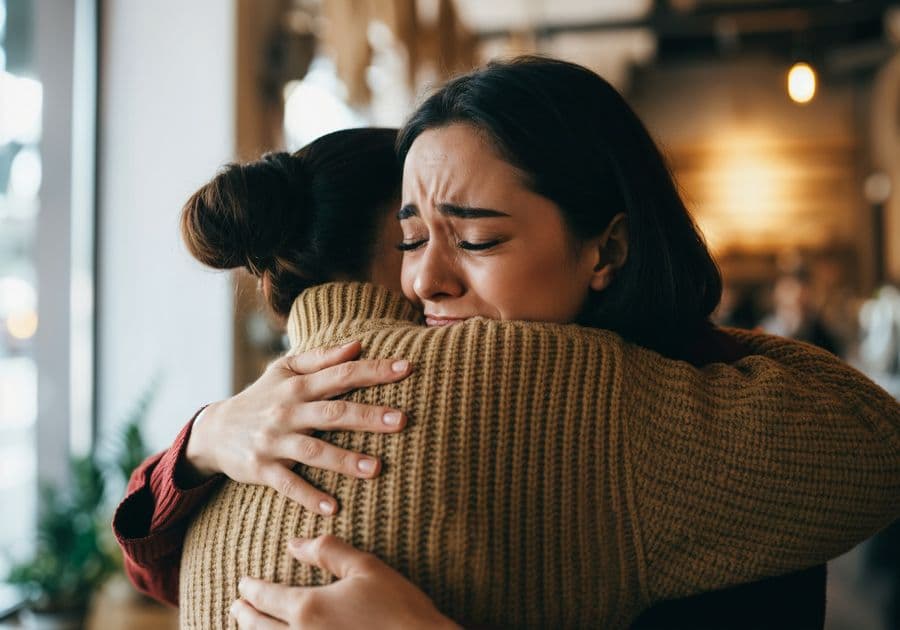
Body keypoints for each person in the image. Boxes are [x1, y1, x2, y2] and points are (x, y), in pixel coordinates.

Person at [115, 60, 900, 628]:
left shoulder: (646, 417)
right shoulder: (320, 406)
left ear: (608, 250)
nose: (425, 283)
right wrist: (207, 436)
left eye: (478, 239)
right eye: (412, 240)